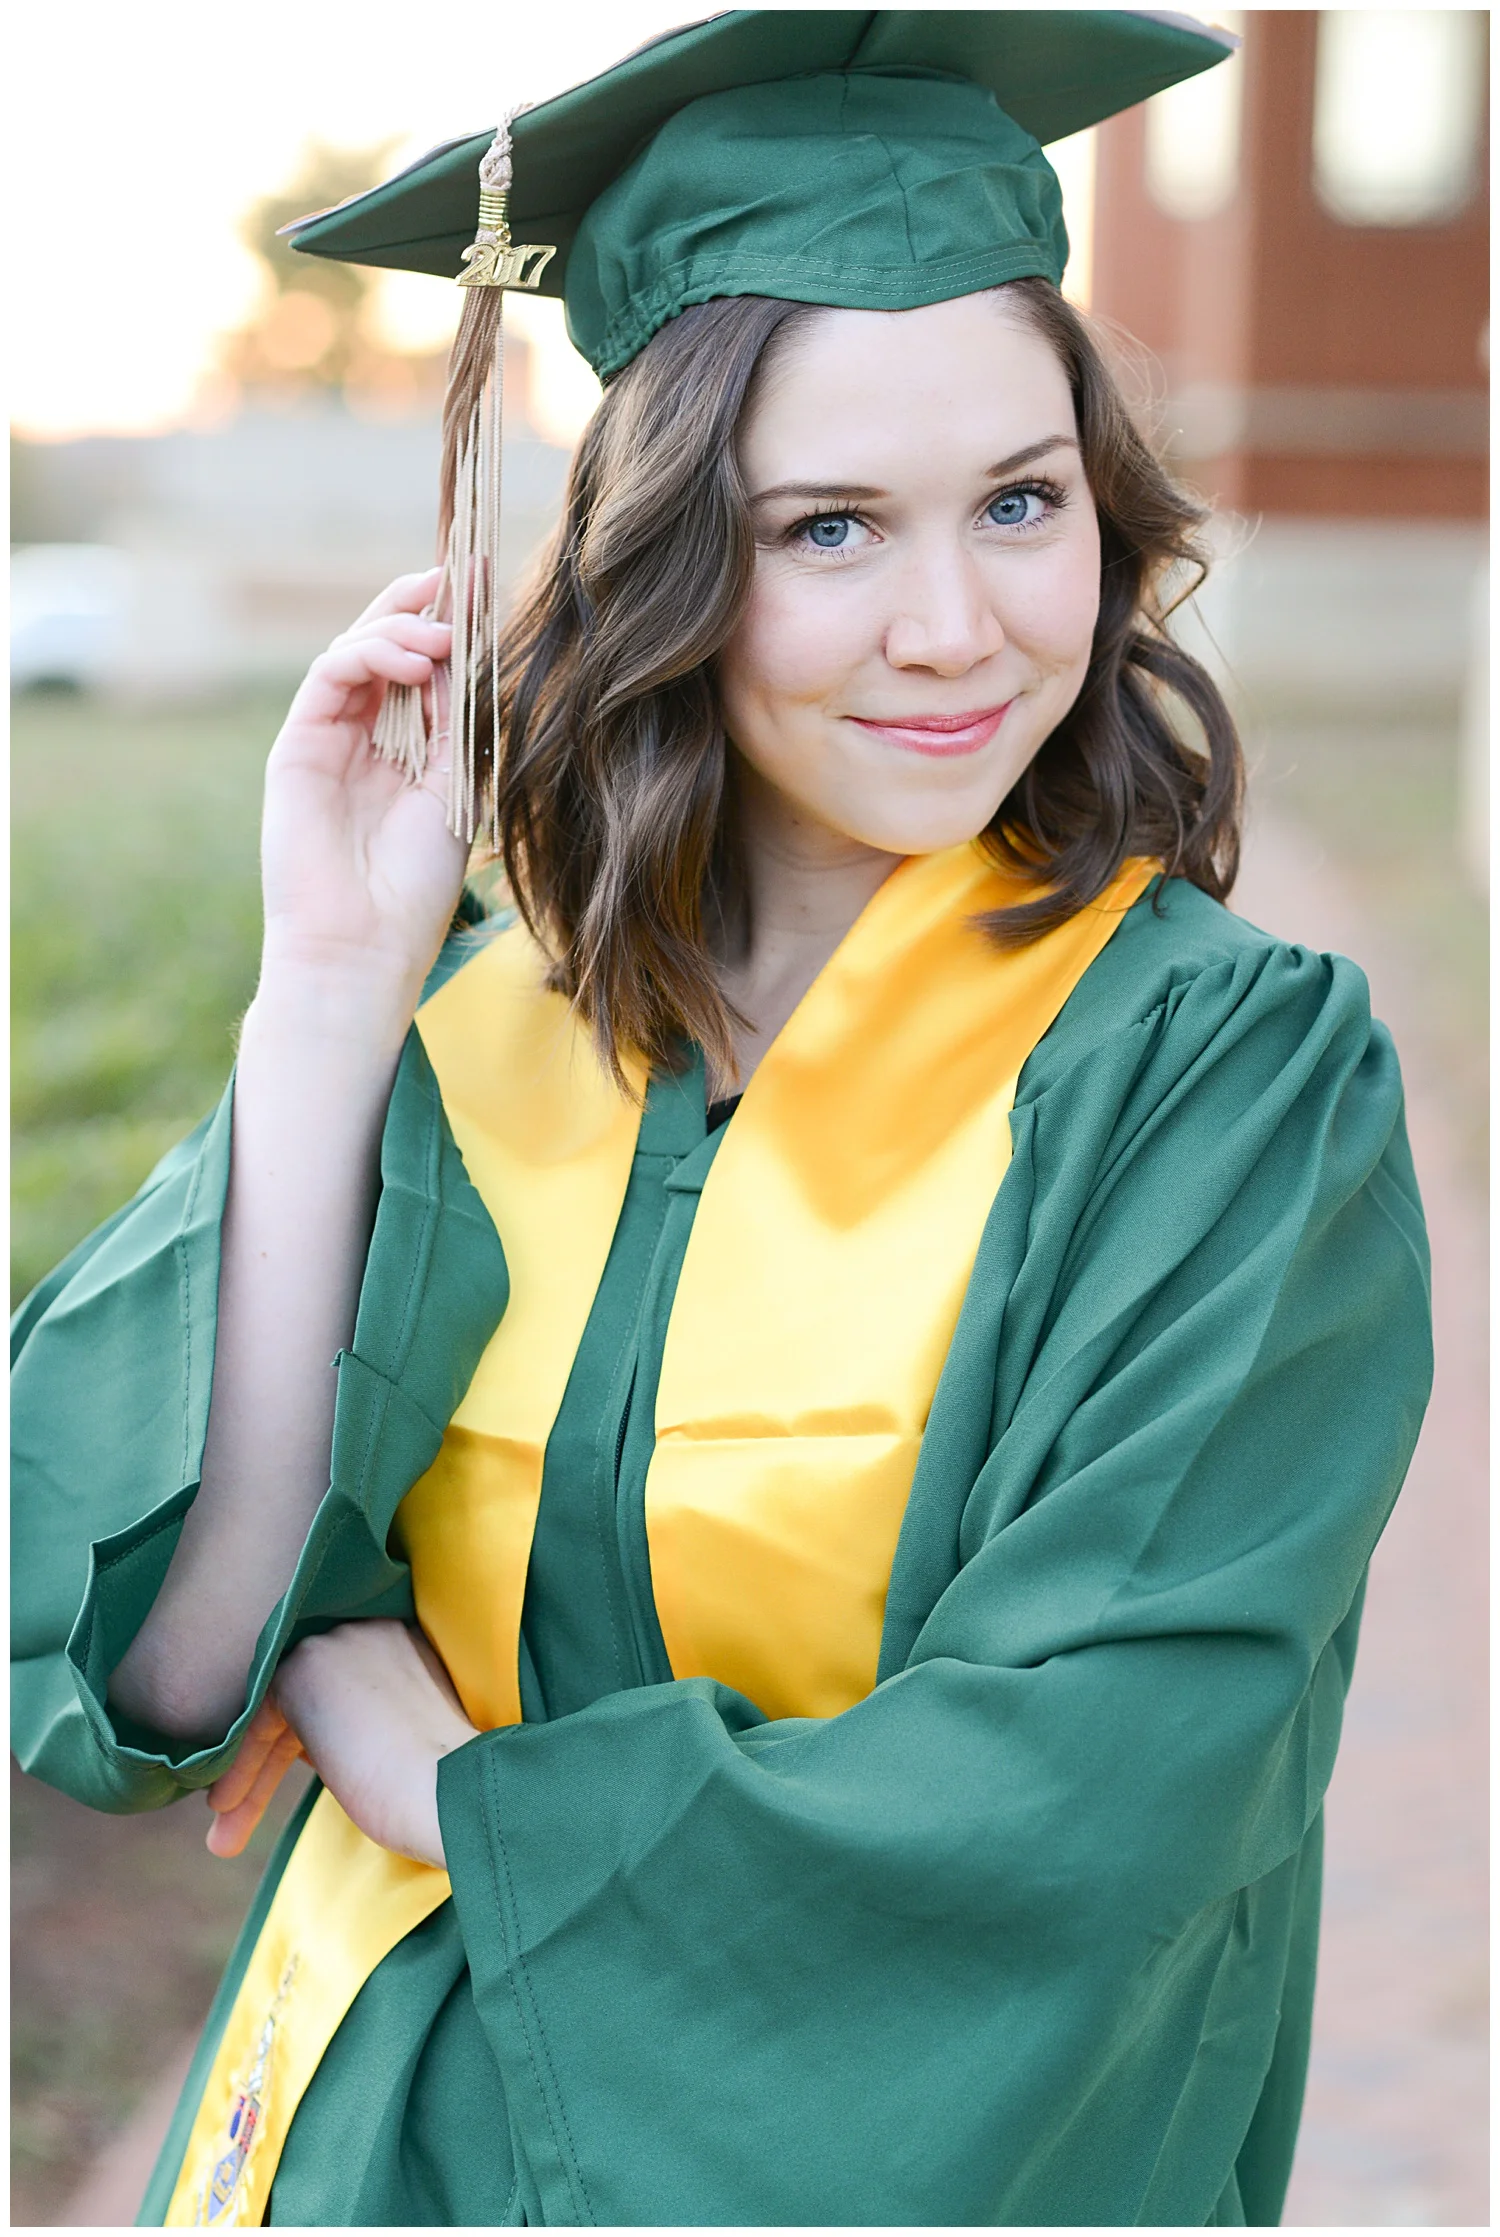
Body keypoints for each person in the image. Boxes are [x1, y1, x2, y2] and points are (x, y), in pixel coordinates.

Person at [10, 12, 1432, 2227]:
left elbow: (1099, 1790)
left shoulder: (1218, 1078)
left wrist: (453, 1784)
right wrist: (327, 1001)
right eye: (830, 527)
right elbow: (171, 1655)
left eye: (1021, 501)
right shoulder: (487, 1028)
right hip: (378, 2149)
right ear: (668, 559)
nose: (953, 628)